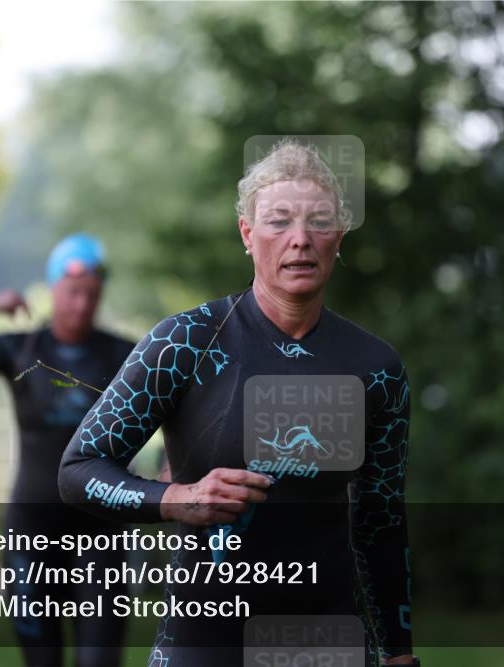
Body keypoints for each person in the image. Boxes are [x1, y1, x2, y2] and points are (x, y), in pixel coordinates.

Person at [58, 140, 417, 666]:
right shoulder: (185, 342)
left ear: (338, 237)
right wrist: (178, 499)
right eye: (278, 222)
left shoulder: (376, 368)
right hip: (204, 644)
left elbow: (381, 520)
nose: (300, 240)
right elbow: (76, 471)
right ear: (248, 235)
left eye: (318, 222)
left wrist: (399, 653)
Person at [0, 234, 135, 667]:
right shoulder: (19, 350)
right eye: (74, 292)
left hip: (101, 532)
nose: (82, 304)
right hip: (32, 533)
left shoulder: (123, 354)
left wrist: (173, 462)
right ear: (53, 287)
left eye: (92, 295)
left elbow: (178, 406)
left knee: (99, 661)